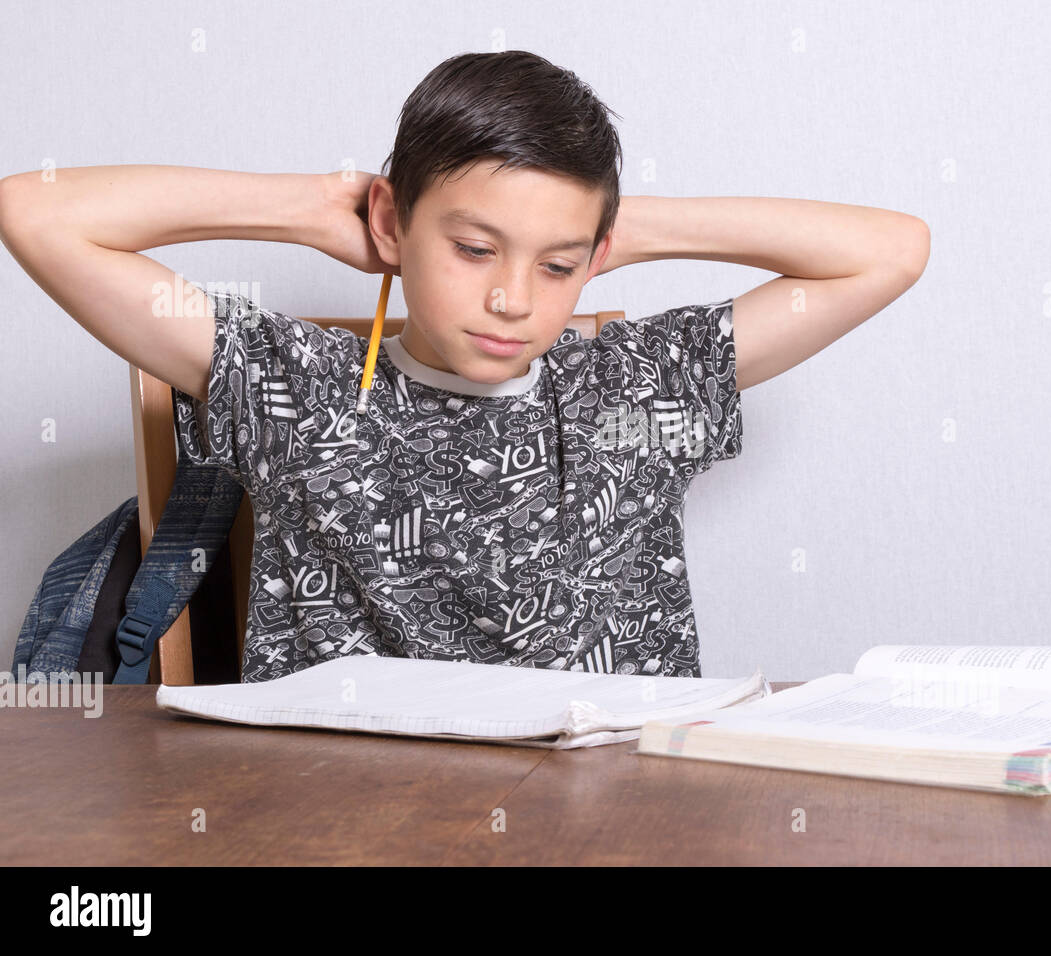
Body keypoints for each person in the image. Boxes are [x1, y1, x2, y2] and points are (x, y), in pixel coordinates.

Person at [0, 49, 929, 682]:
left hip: (614, 827)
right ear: (397, 223)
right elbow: (36, 213)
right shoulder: (294, 385)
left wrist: (631, 228)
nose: (515, 298)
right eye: (476, 249)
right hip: (351, 823)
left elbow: (891, 250)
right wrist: (314, 206)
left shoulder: (641, 385)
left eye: (557, 264)